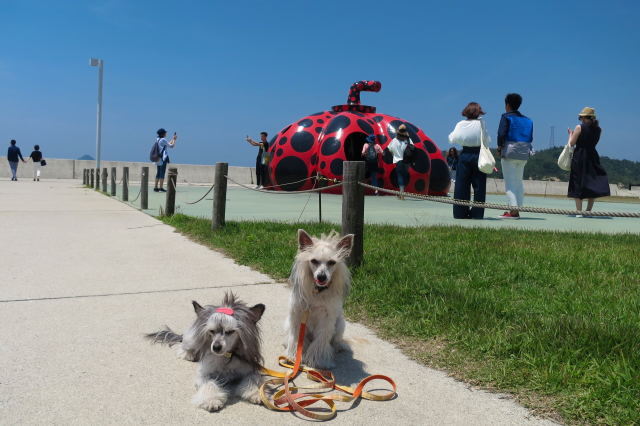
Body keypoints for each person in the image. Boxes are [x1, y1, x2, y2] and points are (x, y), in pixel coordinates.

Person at [448, 102, 490, 219]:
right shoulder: (482, 123)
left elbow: (452, 138)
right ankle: (477, 214)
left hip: (465, 154)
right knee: (479, 186)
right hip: (478, 155)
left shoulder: (460, 124)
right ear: (478, 112)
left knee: (461, 185)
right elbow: (487, 140)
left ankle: (460, 213)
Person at [566, 107, 609, 215]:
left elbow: (571, 143)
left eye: (581, 117)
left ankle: (579, 212)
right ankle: (589, 211)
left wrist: (570, 134)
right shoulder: (599, 129)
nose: (580, 119)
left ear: (584, 117)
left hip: (580, 156)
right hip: (593, 156)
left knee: (578, 182)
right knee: (591, 183)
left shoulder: (579, 127)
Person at [497, 93, 533, 219]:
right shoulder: (528, 120)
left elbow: (501, 134)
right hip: (524, 153)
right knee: (518, 182)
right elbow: (531, 137)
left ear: (507, 105)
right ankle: (517, 209)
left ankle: (513, 211)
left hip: (510, 152)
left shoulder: (506, 117)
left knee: (509, 183)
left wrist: (500, 147)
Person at [387, 124, 414, 199]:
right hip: (407, 161)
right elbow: (413, 148)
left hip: (398, 160)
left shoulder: (394, 140)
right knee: (405, 176)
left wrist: (395, 154)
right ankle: (403, 192)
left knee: (400, 176)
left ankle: (401, 192)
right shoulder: (408, 140)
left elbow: (389, 149)